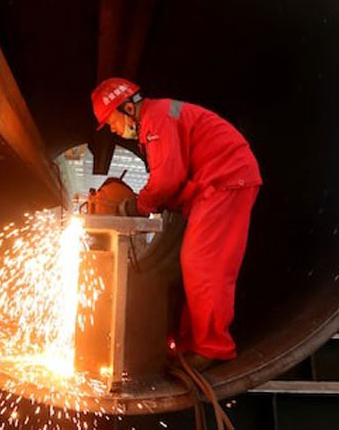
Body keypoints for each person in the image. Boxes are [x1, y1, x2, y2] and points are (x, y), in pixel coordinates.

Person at [91, 77, 262, 371]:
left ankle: (212, 347)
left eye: (112, 122)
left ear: (128, 108)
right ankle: (188, 342)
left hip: (225, 180)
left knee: (203, 263)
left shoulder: (157, 119)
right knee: (192, 262)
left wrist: (137, 205)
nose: (114, 130)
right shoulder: (155, 123)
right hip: (211, 185)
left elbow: (167, 180)